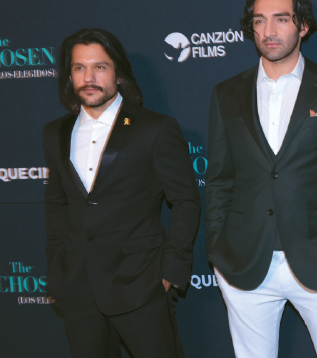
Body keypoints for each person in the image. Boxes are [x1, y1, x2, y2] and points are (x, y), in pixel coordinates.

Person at [205, 0, 317, 358]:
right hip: (244, 261)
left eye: (281, 19)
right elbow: (220, 178)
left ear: (303, 26)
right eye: (259, 21)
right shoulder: (226, 93)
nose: (269, 30)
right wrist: (217, 249)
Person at [42, 28, 200, 358]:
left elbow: (185, 201)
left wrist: (169, 272)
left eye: (100, 67)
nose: (89, 77)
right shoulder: (55, 133)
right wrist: (57, 266)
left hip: (140, 282)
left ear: (118, 73)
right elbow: (57, 204)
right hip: (78, 285)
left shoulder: (154, 128)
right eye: (79, 68)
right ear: (69, 76)